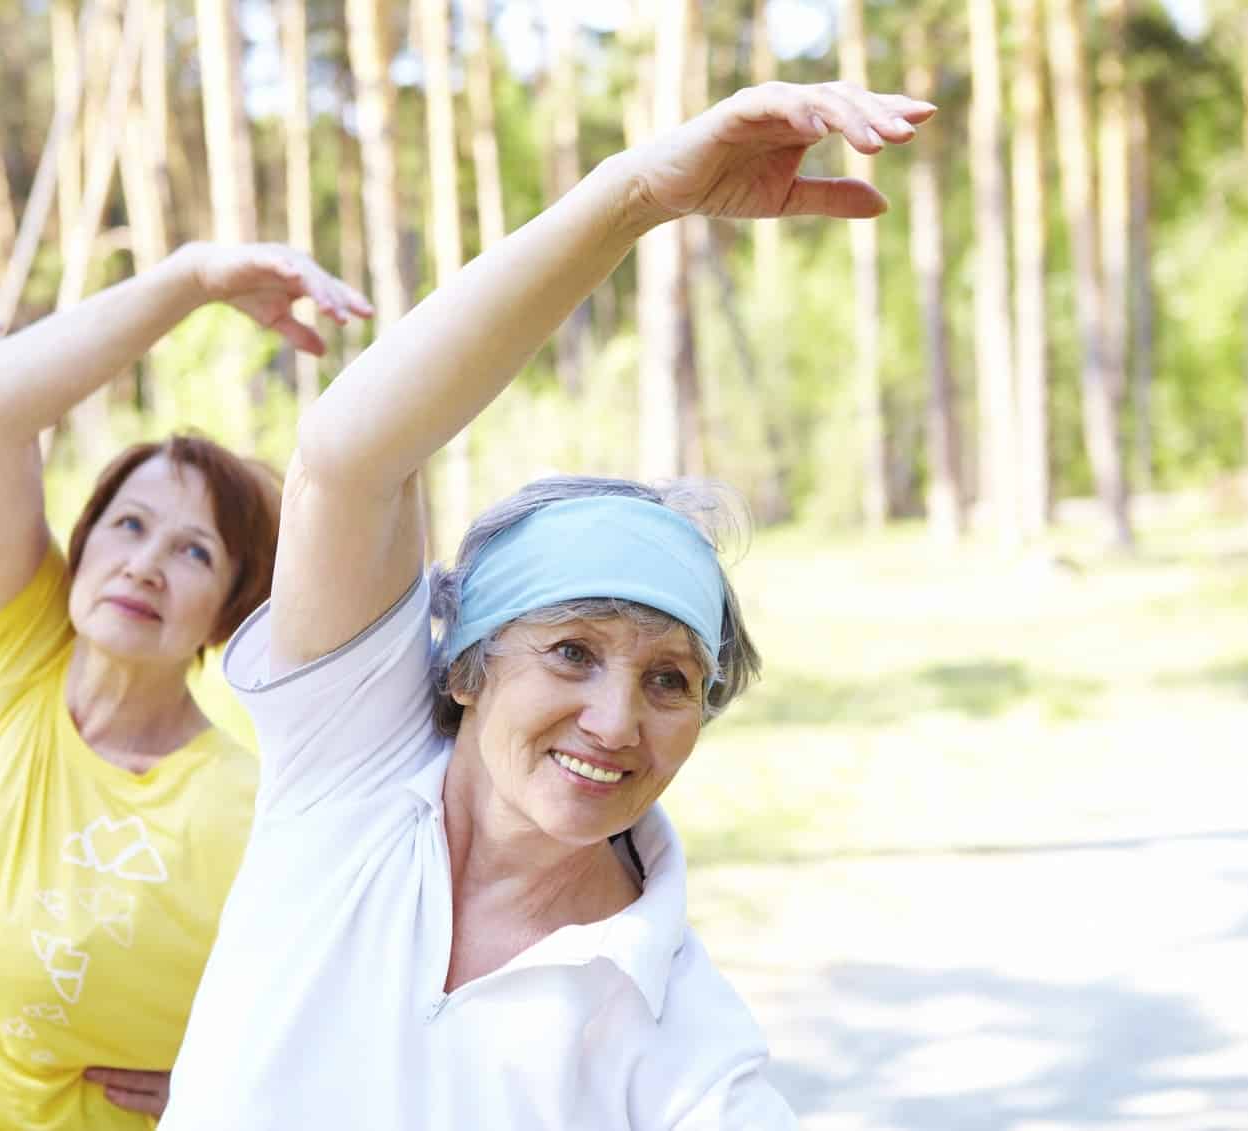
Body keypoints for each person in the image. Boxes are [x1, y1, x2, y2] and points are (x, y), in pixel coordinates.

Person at [154, 82, 936, 1130]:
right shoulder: (349, 768)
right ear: (469, 666)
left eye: (669, 680)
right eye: (571, 652)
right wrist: (632, 199)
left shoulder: (680, 1043)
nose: (615, 723)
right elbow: (347, 457)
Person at [0, 241, 370, 1129]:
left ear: (225, 610)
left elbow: (352, 1024)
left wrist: (232, 1087)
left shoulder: (249, 809)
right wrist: (190, 279)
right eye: (128, 525)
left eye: (193, 552)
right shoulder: (9, 660)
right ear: (80, 546)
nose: (144, 566)